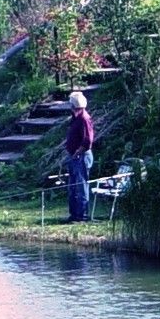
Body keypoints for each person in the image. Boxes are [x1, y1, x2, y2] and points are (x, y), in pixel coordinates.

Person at [63, 90, 94, 222]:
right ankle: (74, 215)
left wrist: (77, 152)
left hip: (81, 156)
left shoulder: (84, 119)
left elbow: (87, 141)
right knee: (73, 187)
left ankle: (82, 216)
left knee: (81, 187)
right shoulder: (75, 118)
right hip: (75, 156)